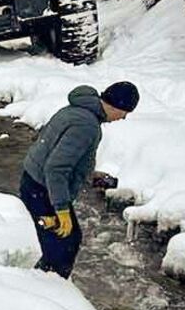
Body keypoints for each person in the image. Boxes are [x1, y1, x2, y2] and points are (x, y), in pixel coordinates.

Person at [19, 81, 139, 278]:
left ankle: (42, 285)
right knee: (62, 249)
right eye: (125, 112)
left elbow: (54, 152)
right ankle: (44, 293)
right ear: (116, 105)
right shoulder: (87, 125)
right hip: (43, 189)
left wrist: (88, 175)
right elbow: (56, 168)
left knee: (66, 243)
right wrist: (61, 210)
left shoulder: (77, 110)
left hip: (35, 183)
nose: (124, 117)